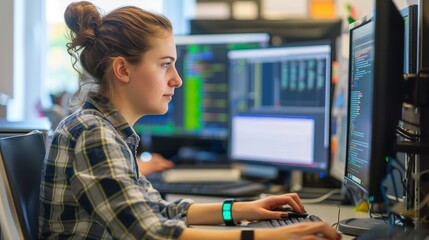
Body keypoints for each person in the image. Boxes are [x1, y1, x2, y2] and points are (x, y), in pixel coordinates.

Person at [38, 2, 341, 239]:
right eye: (165, 65)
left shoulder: (109, 131)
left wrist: (239, 209)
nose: (178, 80)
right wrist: (266, 236)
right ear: (123, 70)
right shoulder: (94, 132)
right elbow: (149, 232)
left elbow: (157, 210)